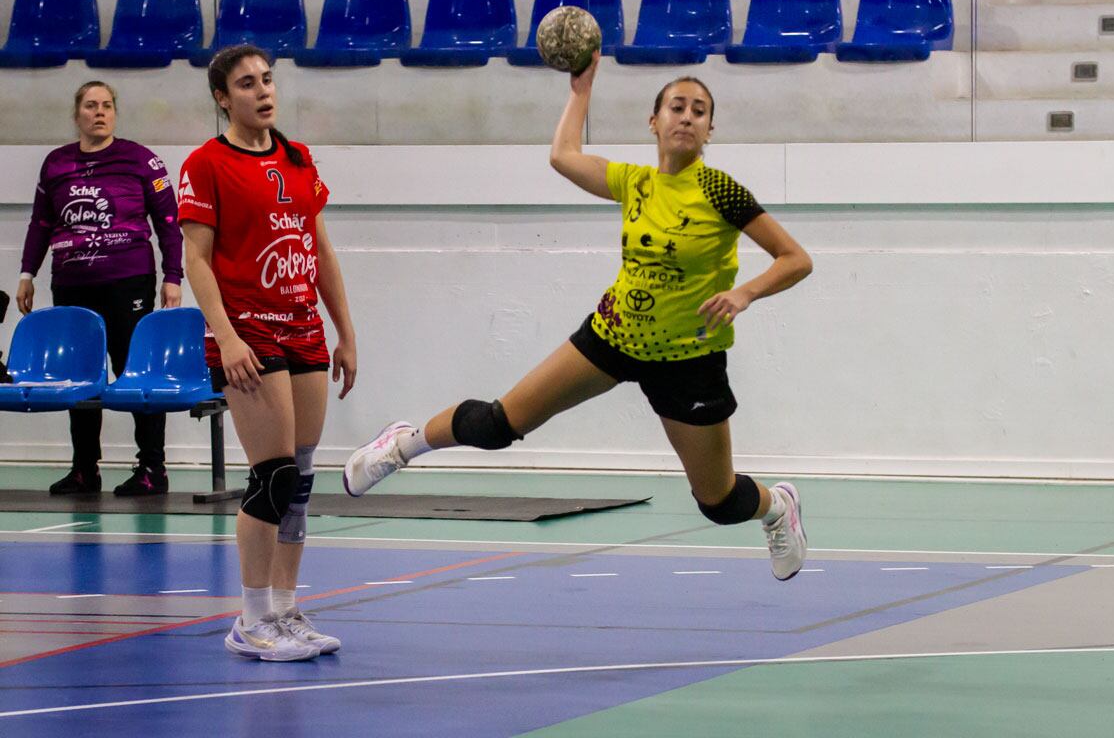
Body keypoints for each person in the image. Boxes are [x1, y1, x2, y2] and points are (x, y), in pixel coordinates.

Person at [344, 54, 814, 581]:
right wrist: (581, 89)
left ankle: (776, 507)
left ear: (710, 128)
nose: (687, 116)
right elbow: (563, 155)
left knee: (718, 501)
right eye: (676, 107)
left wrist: (745, 292)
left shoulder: (721, 191)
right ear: (654, 121)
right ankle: (403, 445)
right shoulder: (633, 182)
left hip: (689, 359)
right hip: (612, 336)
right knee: (500, 424)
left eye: (699, 111)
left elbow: (796, 259)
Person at [178, 45, 357, 662]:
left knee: (300, 481)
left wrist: (346, 331)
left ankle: (285, 607)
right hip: (249, 332)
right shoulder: (206, 164)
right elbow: (193, 259)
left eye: (268, 79)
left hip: (304, 326)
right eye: (247, 84)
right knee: (273, 476)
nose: (263, 90)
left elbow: (321, 251)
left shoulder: (298, 156)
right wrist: (225, 337)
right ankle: (250, 618)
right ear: (223, 98)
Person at [17, 81, 183, 496]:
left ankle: (152, 469)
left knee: (136, 373)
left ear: (114, 113)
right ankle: (84, 469)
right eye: (91, 105)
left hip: (129, 279)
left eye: (107, 105)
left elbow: (168, 223)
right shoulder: (56, 164)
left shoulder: (142, 160)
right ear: (77, 114)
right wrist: (26, 274)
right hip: (72, 283)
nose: (99, 112)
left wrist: (173, 277)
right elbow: (40, 223)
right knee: (81, 375)